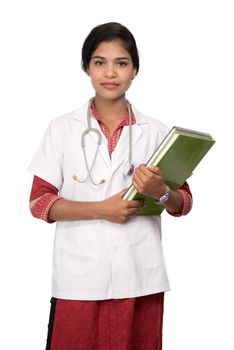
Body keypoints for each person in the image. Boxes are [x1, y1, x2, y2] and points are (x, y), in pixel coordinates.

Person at [28, 22, 192, 350]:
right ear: (86, 67)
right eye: (99, 62)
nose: (110, 72)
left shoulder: (156, 131)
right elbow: (40, 202)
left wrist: (160, 191)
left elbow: (183, 202)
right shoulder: (61, 129)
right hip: (79, 278)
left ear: (135, 70)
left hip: (140, 277)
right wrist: (104, 210)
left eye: (121, 62)